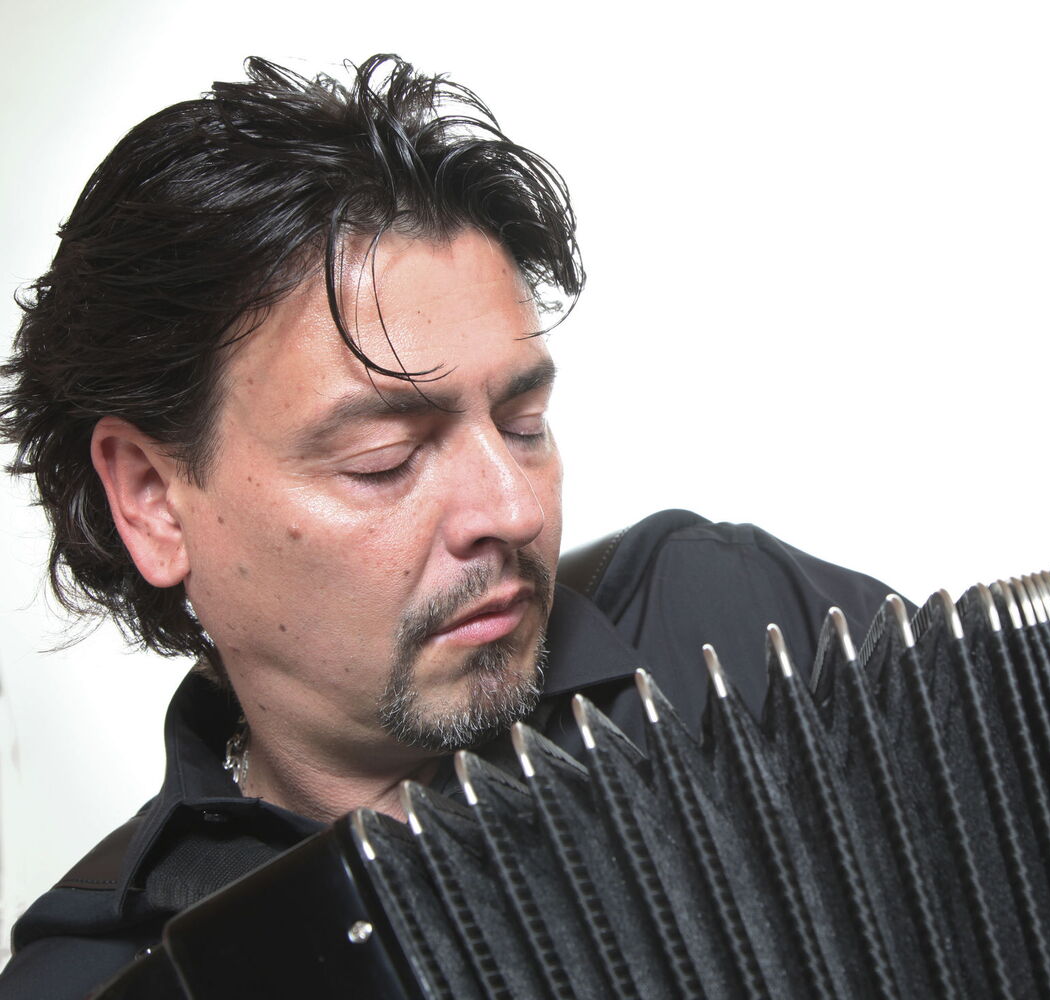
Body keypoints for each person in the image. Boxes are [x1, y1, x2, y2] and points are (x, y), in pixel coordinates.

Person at [0, 55, 895, 997]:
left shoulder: (735, 622)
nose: (514, 509)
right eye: (383, 459)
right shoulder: (103, 978)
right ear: (151, 498)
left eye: (523, 424)